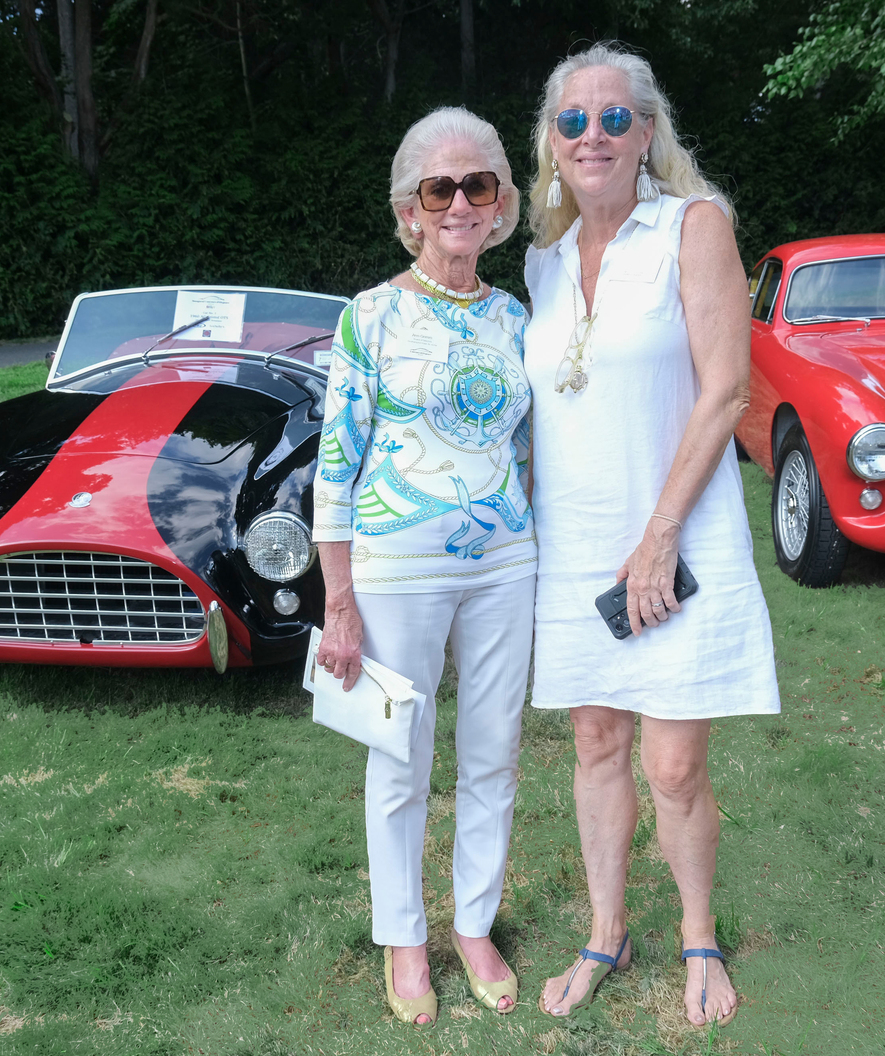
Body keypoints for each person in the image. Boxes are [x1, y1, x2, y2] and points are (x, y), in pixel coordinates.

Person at [521, 43, 782, 1027]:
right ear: (552, 142)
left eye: (613, 117)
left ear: (647, 132)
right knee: (595, 741)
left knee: (673, 764)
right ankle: (604, 932)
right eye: (572, 120)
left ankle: (699, 934)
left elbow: (726, 391)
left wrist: (661, 533)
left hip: (675, 533)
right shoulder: (542, 260)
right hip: (577, 541)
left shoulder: (692, 227)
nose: (593, 134)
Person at [312, 106, 534, 1026]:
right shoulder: (369, 316)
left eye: (476, 184)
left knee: (494, 753)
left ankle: (474, 923)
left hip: (507, 564)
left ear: (499, 206)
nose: (458, 203)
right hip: (396, 568)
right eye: (438, 188)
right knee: (398, 757)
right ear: (410, 209)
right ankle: (405, 937)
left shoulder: (519, 317)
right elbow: (336, 460)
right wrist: (339, 601)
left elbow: (532, 451)